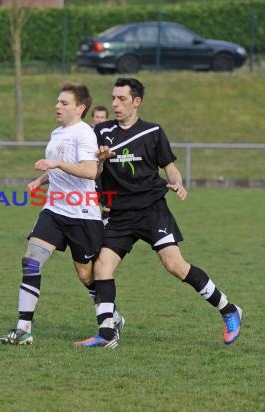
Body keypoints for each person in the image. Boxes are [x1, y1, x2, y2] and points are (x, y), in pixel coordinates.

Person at [74, 77, 242, 348]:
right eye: (114, 98)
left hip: (152, 209)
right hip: (120, 214)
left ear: (137, 102)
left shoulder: (153, 132)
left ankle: (228, 309)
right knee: (102, 267)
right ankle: (107, 334)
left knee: (174, 265)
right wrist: (100, 161)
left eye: (122, 99)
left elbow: (168, 165)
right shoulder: (101, 132)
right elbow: (94, 172)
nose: (115, 103)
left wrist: (177, 181)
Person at [0, 82, 123, 345]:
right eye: (57, 101)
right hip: (54, 210)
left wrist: (56, 163)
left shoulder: (85, 133)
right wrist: (40, 180)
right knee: (31, 260)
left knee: (86, 275)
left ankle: (110, 315)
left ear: (80, 108)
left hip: (83, 214)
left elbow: (90, 171)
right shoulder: (57, 133)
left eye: (64, 103)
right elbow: (58, 167)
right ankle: (23, 329)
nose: (57, 106)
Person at [89, 105, 111, 223]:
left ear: (106, 119)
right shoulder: (87, 132)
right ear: (92, 118)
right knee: (92, 202)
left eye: (102, 117)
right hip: (91, 171)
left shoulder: (110, 134)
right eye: (97, 117)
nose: (99, 119)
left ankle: (104, 226)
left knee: (108, 204)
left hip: (107, 173)